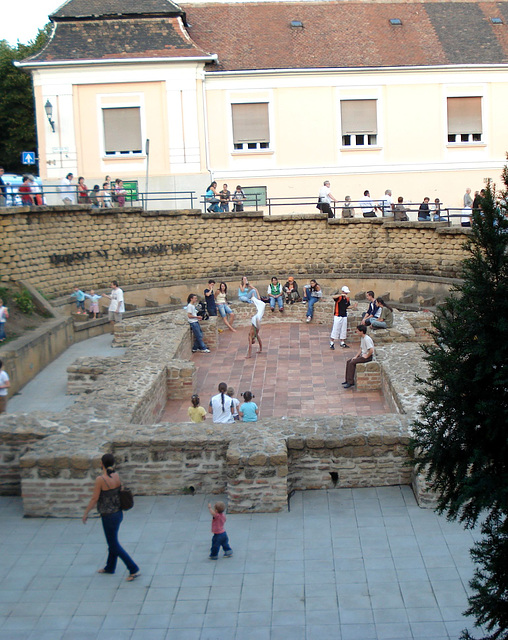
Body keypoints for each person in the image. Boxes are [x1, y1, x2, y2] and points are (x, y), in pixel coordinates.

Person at [82, 453, 140, 581]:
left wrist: (86, 513)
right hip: (118, 513)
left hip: (108, 516)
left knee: (113, 544)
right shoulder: (116, 476)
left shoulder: (100, 480)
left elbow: (94, 498)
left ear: (101, 464)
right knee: (112, 541)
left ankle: (133, 568)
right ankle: (110, 567)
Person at [343, 325, 375, 389]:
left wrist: (367, 356)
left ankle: (351, 382)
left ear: (362, 331)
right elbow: (361, 348)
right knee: (349, 361)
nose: (356, 332)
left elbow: (371, 350)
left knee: (352, 363)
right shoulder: (362, 338)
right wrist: (356, 356)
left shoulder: (367, 339)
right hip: (362, 355)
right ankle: (347, 380)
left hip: (367, 357)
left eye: (358, 331)